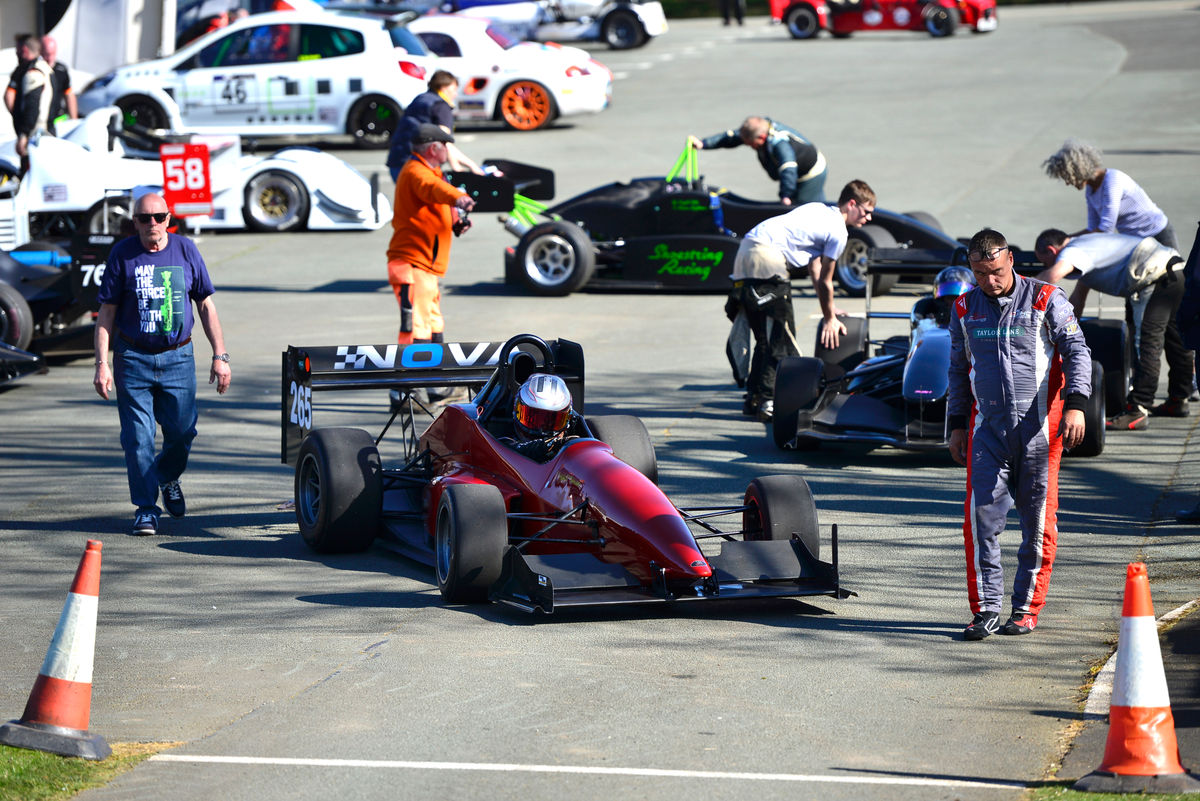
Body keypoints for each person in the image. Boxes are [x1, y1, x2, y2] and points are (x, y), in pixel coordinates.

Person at [948, 229, 1092, 641]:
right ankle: (986, 609)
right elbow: (958, 369)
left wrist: (1077, 404)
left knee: (1038, 523)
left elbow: (1077, 351)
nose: (988, 281)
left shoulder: (1047, 298)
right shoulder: (963, 308)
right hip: (986, 430)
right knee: (980, 522)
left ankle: (1026, 607)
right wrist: (957, 424)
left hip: (1040, 431)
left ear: (1010, 259)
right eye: (979, 273)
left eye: (994, 271)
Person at [93, 192, 232, 536]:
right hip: (133, 358)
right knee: (137, 438)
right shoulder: (122, 254)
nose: (152, 224)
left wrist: (220, 355)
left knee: (183, 433)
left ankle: (167, 476)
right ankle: (145, 508)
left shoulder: (185, 250)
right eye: (144, 218)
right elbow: (106, 312)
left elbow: (205, 306)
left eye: (159, 217)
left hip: (178, 358)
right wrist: (101, 363)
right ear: (134, 222)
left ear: (169, 219)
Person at [726, 179, 876, 421]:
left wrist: (829, 308)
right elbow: (827, 280)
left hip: (744, 252)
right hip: (767, 258)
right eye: (867, 212)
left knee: (764, 336)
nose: (868, 219)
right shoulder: (838, 231)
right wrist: (830, 319)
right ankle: (768, 401)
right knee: (780, 336)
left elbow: (815, 271)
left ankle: (754, 398)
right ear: (852, 204)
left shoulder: (818, 210)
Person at [1035, 228, 1189, 429]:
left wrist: (1020, 291)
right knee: (1177, 340)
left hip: (1153, 276)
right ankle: (1179, 399)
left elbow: (1053, 276)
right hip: (1176, 273)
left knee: (1145, 344)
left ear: (1051, 250)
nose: (1046, 266)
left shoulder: (1072, 251)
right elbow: (1078, 300)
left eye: (1044, 262)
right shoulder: (1087, 247)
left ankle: (1137, 409)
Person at [386, 123, 475, 346]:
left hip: (425, 264)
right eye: (446, 145)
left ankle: (436, 372)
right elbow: (432, 188)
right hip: (412, 262)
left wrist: (455, 221)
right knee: (418, 323)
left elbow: (435, 200)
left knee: (433, 320)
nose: (448, 150)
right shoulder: (416, 172)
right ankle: (413, 377)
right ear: (433, 149)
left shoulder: (431, 171)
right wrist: (458, 197)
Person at [1042, 138, 1177, 249]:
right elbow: (1093, 228)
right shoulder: (1090, 190)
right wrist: (1064, 240)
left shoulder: (1113, 180)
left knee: (1176, 280)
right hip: (1138, 243)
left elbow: (1106, 229)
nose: (1068, 183)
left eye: (1068, 177)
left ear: (1078, 171)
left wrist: (1068, 241)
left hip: (1157, 234)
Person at [689, 116, 827, 205]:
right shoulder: (755, 130)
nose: (749, 146)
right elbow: (731, 137)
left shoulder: (780, 143)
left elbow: (788, 168)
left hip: (811, 174)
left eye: (750, 144)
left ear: (761, 138)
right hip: (794, 171)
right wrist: (704, 144)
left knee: (807, 208)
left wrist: (785, 195)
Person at [385, 70, 483, 183]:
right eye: (454, 89)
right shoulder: (441, 107)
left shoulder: (421, 99)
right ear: (444, 87)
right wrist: (468, 166)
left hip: (397, 162)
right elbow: (445, 142)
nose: (455, 94)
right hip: (417, 167)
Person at [5, 35, 54, 166]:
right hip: (47, 133)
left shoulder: (33, 72)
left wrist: (24, 134)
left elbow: (32, 105)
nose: (16, 54)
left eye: (17, 51)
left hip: (36, 136)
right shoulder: (47, 69)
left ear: (25, 50)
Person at [508, 372, 575, 462]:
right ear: (516, 409)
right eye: (533, 419)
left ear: (568, 418)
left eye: (550, 421)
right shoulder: (505, 443)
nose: (541, 431)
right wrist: (551, 445)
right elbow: (510, 447)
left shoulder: (573, 430)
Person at [40, 35, 78, 132]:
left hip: (57, 120)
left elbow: (69, 95)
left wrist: (74, 120)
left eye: (52, 54)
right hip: (40, 121)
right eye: (46, 54)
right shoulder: (35, 70)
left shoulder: (61, 70)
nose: (49, 58)